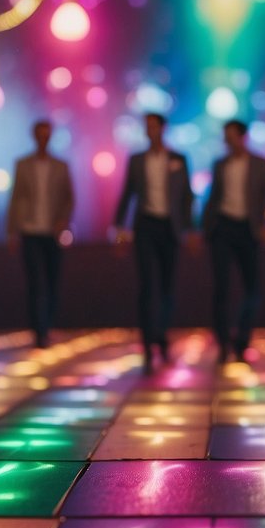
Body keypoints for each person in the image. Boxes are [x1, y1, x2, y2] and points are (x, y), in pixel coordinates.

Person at [114, 112, 194, 372]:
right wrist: (119, 225)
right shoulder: (137, 160)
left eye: (153, 126)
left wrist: (191, 228)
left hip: (169, 227)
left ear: (162, 129)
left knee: (168, 286)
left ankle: (161, 333)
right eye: (146, 126)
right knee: (148, 285)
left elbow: (186, 197)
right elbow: (127, 193)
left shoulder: (179, 159)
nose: (150, 131)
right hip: (145, 225)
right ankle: (148, 342)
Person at [202, 120, 265, 365]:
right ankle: (223, 342)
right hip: (223, 228)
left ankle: (242, 339)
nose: (227, 141)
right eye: (226, 136)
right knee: (221, 288)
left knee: (252, 288)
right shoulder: (220, 165)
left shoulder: (259, 163)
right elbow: (212, 198)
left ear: (243, 137)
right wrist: (204, 228)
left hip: (249, 229)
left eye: (231, 136)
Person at [7, 119, 74, 348]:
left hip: (52, 233)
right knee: (36, 282)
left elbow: (69, 198)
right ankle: (39, 331)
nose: (43, 139)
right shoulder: (23, 164)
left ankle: (47, 325)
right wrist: (12, 230)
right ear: (34, 136)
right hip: (30, 230)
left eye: (47, 134)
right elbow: (15, 198)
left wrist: (63, 221)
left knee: (53, 282)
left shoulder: (61, 166)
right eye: (40, 134)